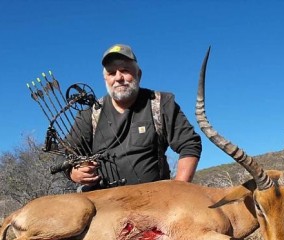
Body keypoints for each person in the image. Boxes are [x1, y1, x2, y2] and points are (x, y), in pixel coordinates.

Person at [66, 44, 201, 190]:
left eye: (125, 70)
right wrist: (72, 172)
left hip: (154, 198)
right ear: (105, 79)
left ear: (138, 74)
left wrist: (178, 191)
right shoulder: (89, 114)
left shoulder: (161, 103)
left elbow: (189, 144)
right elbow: (65, 154)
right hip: (104, 200)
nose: (118, 78)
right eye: (111, 73)